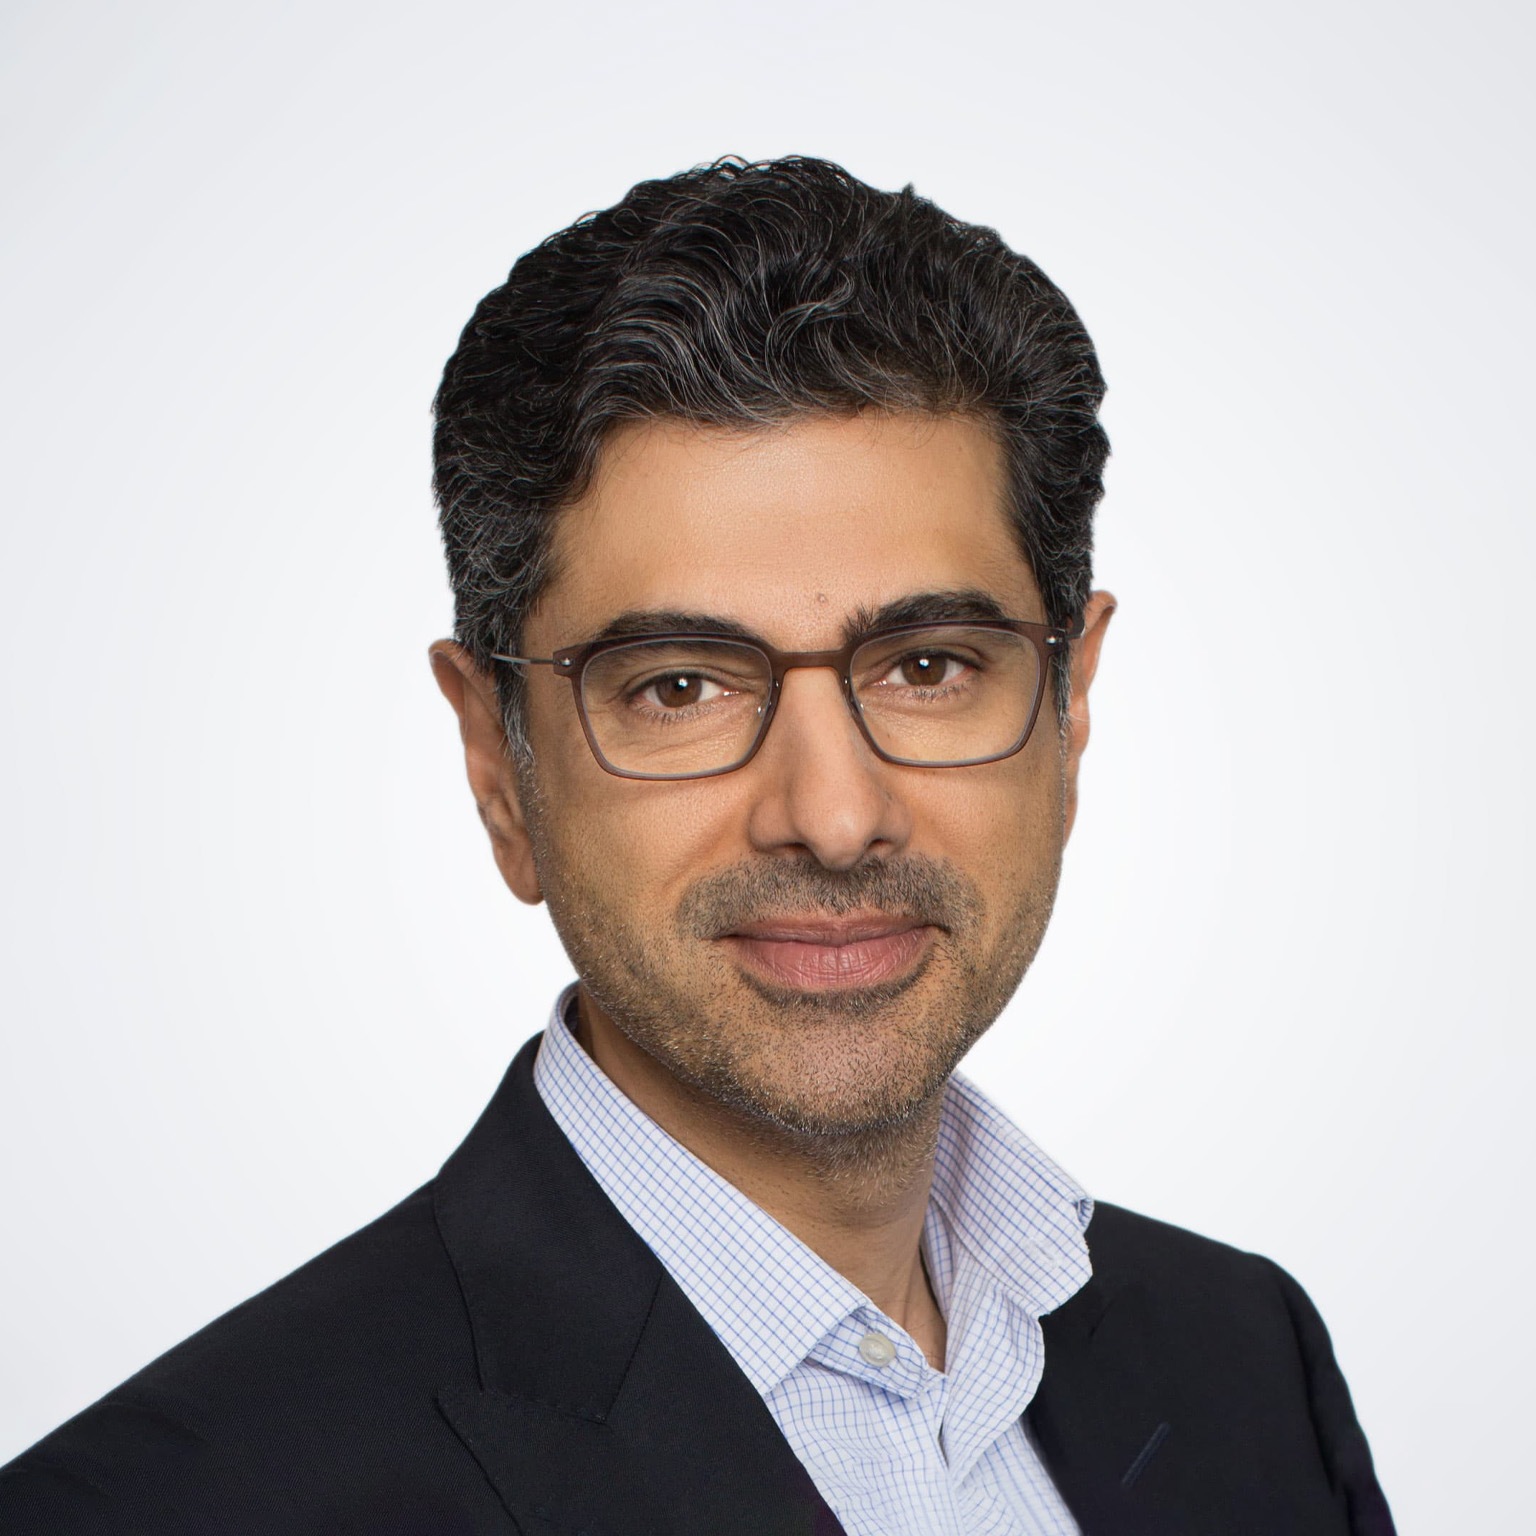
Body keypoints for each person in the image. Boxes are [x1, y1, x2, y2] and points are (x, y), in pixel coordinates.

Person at [0, 155, 1394, 1535]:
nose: (834, 817)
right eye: (680, 687)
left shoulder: (1246, 1364)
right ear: (497, 764)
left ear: (1069, 708)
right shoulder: (160, 1512)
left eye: (929, 667)